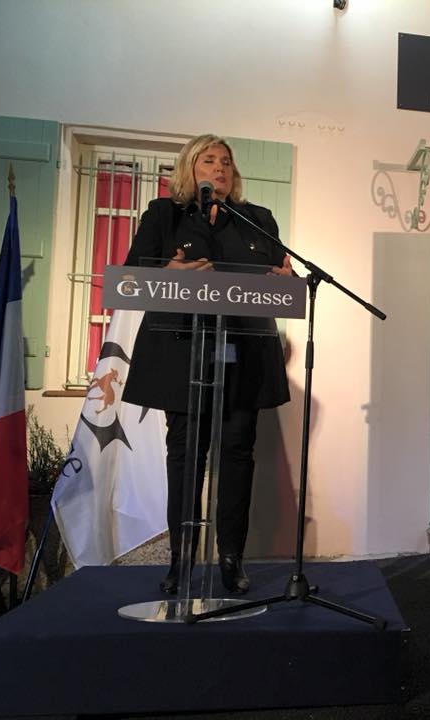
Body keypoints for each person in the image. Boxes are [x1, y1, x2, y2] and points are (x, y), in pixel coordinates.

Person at [123, 134, 293, 594]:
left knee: (237, 453)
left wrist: (287, 279)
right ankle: (181, 560)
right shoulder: (164, 215)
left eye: (226, 162)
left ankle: (231, 560)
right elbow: (132, 276)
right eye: (209, 160)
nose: (219, 168)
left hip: (243, 354)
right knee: (185, 455)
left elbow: (280, 278)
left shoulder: (257, 220)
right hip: (182, 352)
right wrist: (166, 273)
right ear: (190, 169)